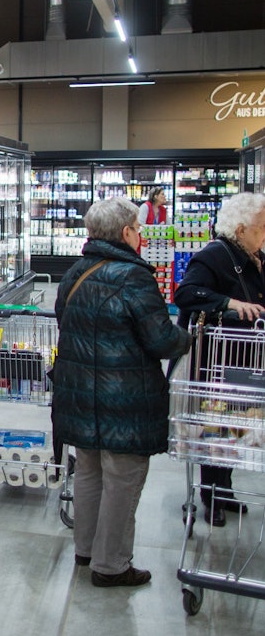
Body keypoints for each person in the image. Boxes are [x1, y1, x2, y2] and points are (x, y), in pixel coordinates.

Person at [52, 197, 190, 588]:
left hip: (80, 392)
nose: (142, 234)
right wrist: (188, 337)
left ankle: (86, 549)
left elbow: (67, 322)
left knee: (89, 470)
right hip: (124, 398)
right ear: (127, 232)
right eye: (139, 228)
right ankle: (111, 565)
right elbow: (162, 340)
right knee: (123, 477)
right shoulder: (134, 277)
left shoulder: (75, 271)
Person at [173, 191, 265, 526]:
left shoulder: (254, 257)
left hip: (242, 361)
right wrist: (229, 304)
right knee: (214, 428)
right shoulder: (214, 255)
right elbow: (185, 294)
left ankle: (224, 490)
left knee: (234, 427)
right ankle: (210, 495)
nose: (264, 233)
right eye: (261, 227)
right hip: (214, 362)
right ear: (241, 230)